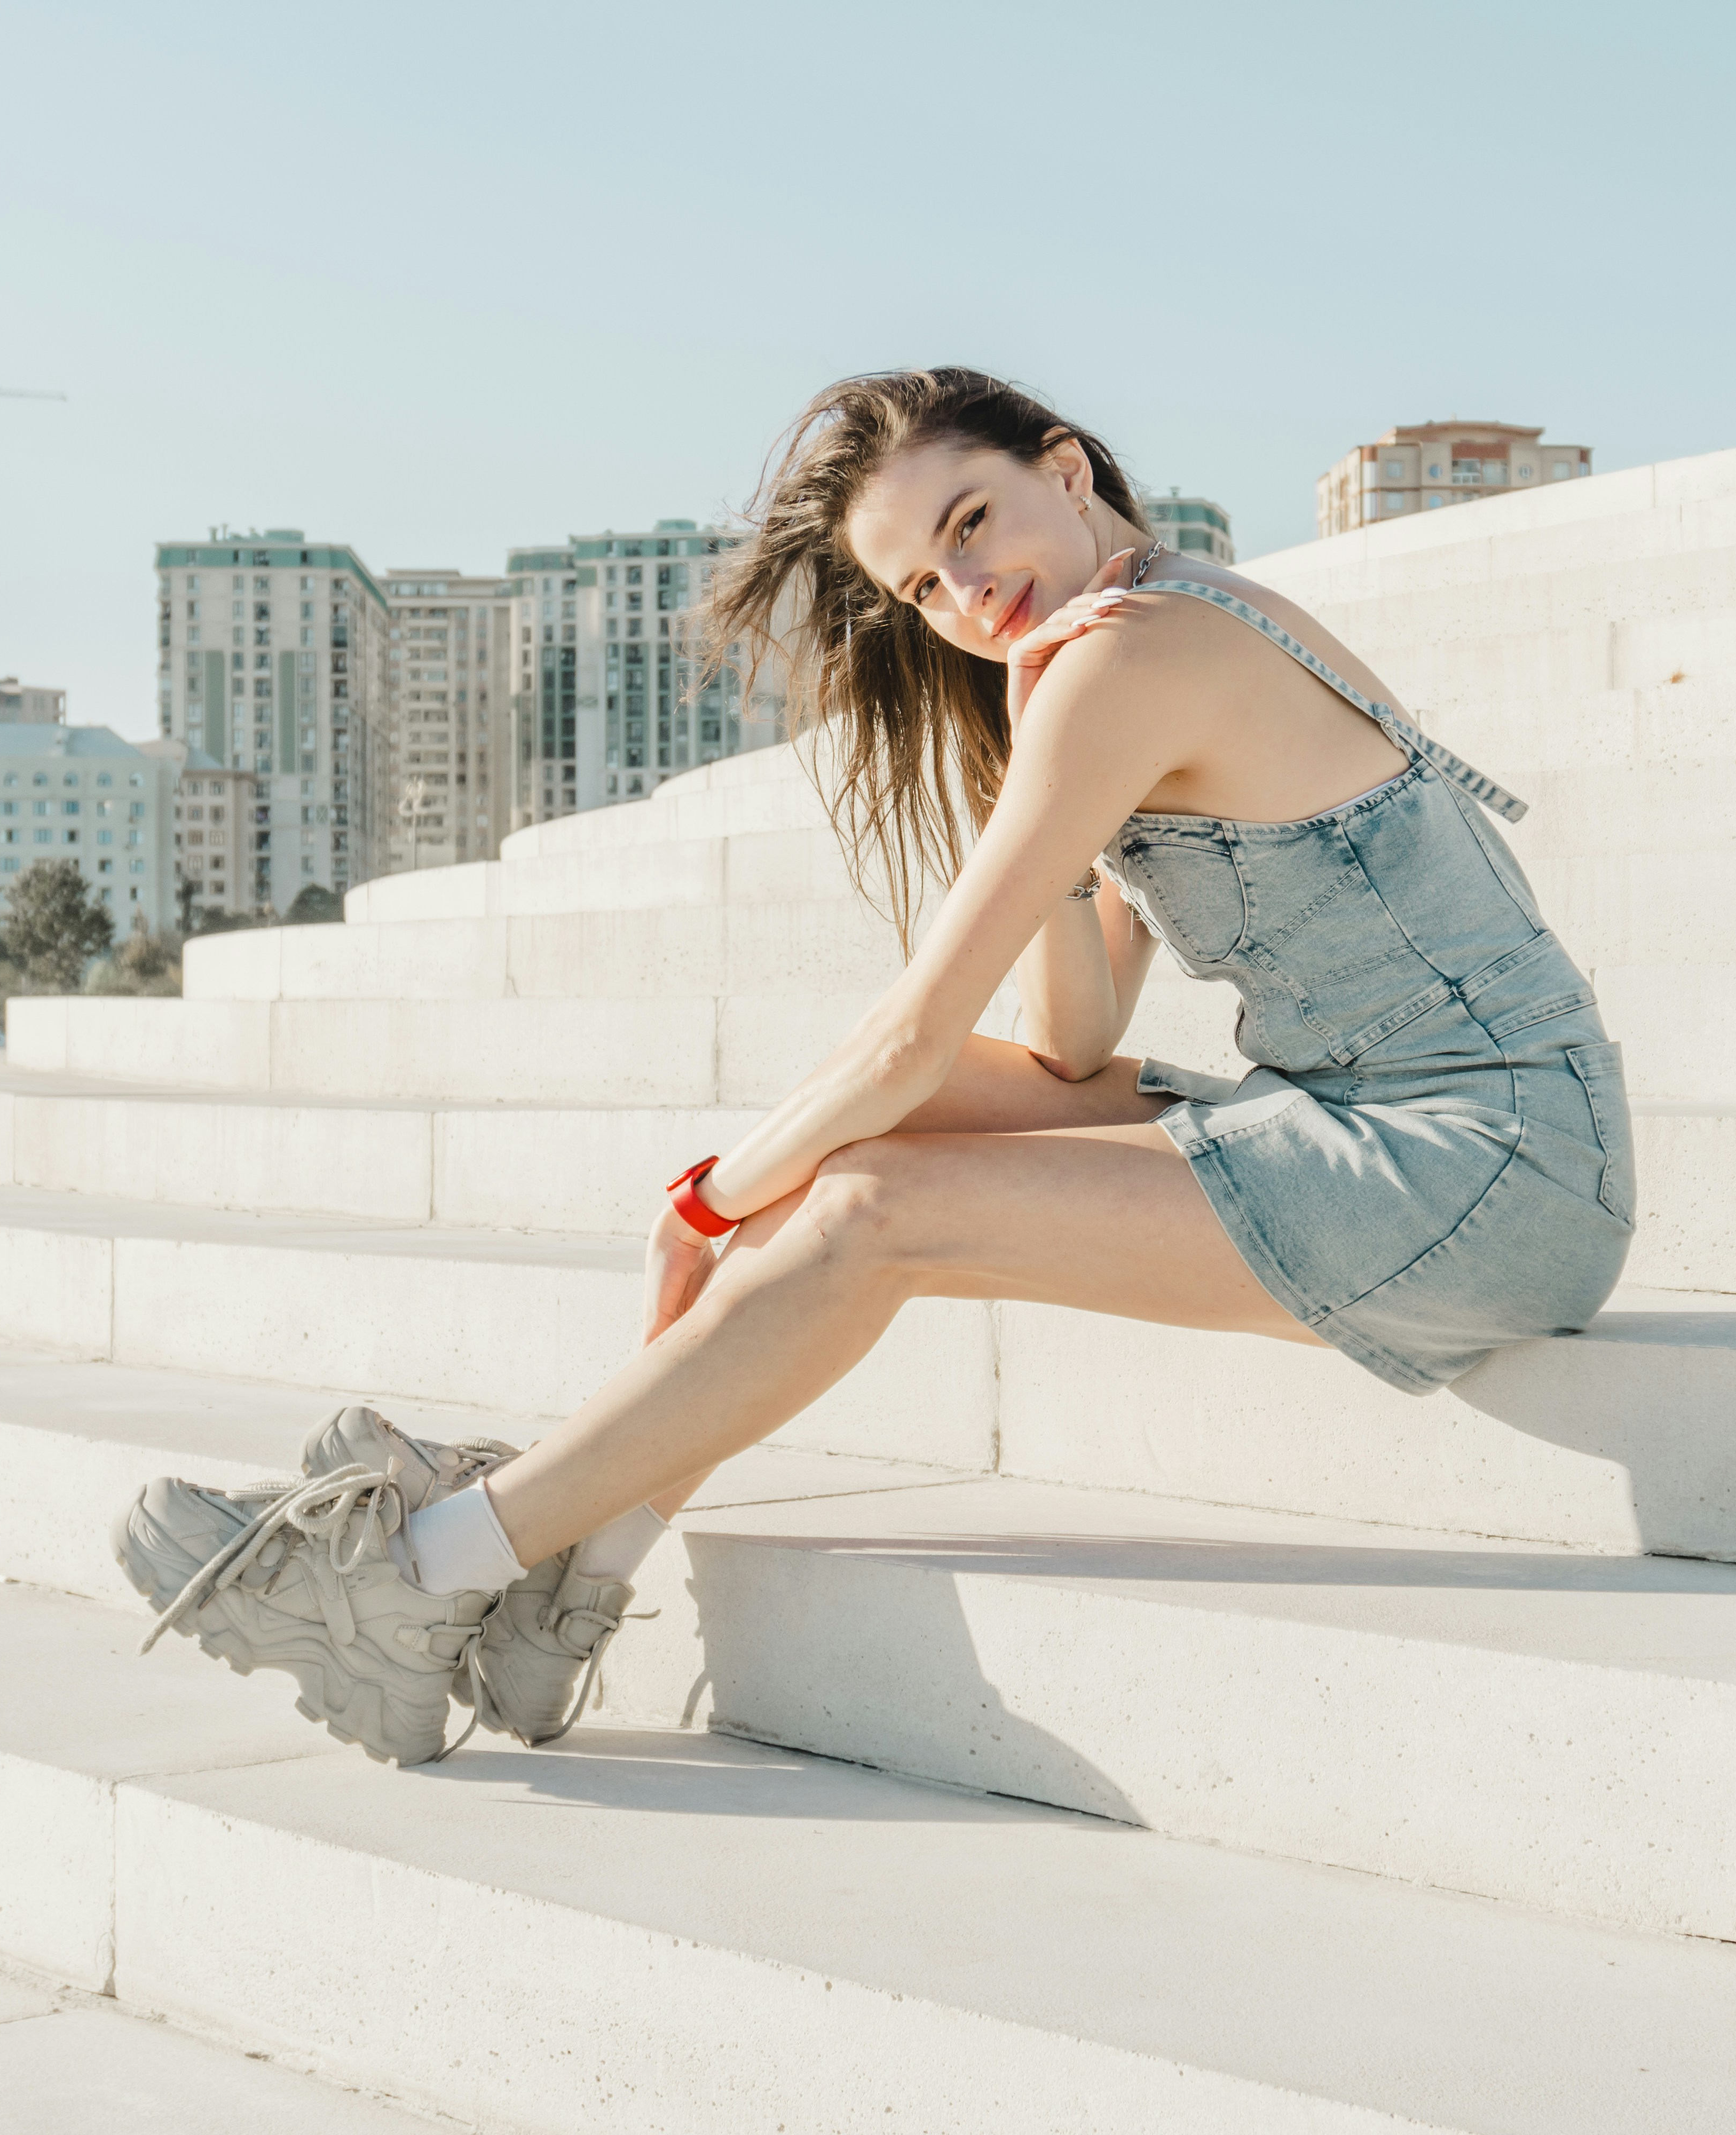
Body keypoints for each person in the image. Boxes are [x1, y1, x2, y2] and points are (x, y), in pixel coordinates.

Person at [116, 367, 1636, 1764]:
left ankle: (418, 1576)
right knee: (860, 1142)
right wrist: (1042, 821)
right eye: (927, 582)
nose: (969, 591)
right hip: (1386, 1118)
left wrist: (707, 1202)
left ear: (1063, 466)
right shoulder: (1109, 650)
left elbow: (917, 1034)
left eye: (974, 523)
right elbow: (1071, 1039)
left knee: (860, 1207)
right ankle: (563, 1594)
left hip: (1487, 1171)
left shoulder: (1140, 654)